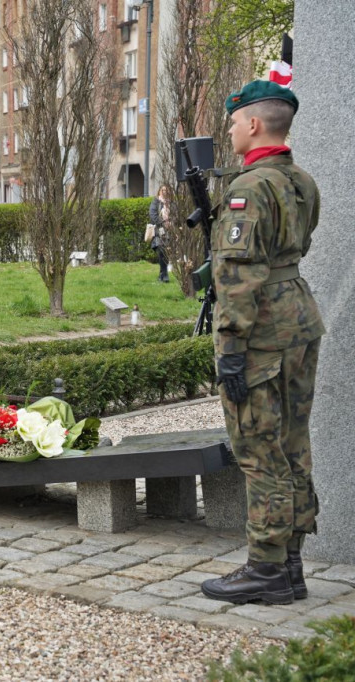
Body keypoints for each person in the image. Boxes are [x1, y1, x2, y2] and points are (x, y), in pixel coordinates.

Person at [199, 80, 324, 605]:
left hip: (262, 332)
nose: (230, 130)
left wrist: (228, 346)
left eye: (234, 122)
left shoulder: (248, 189)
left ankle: (266, 569)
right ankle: (290, 565)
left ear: (253, 124)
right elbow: (298, 245)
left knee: (258, 449)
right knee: (293, 444)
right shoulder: (301, 182)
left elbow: (238, 274)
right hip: (299, 319)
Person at [148, 185, 171, 283]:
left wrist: (171, 223)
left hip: (170, 230)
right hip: (160, 230)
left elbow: (175, 214)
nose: (164, 192)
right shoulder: (156, 202)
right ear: (159, 191)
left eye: (166, 190)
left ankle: (162, 275)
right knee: (162, 251)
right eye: (163, 190)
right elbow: (153, 214)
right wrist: (163, 223)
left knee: (167, 252)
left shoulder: (171, 203)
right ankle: (164, 275)